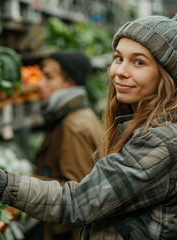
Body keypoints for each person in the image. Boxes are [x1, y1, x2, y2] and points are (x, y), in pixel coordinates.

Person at [0, 10, 177, 239]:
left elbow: (79, 202)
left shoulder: (158, 140)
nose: (120, 70)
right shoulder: (142, 125)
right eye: (118, 57)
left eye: (138, 62)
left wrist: (4, 184)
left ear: (164, 75)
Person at [33, 50, 103, 240]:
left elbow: (78, 195)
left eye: (49, 77)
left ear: (70, 83)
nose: (39, 84)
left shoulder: (72, 126)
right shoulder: (76, 115)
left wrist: (24, 182)